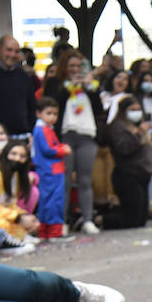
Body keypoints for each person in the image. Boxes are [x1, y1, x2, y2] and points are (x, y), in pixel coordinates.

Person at [43, 50, 106, 235]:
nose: (75, 69)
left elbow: (99, 108)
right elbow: (53, 102)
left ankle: (87, 219)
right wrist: (71, 86)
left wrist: (89, 86)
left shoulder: (89, 85)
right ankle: (61, 221)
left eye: (78, 66)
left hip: (87, 135)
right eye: (71, 66)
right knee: (65, 180)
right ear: (64, 67)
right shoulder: (56, 83)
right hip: (65, 136)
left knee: (85, 179)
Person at [99, 97, 152, 230]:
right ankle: (100, 219)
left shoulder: (137, 125)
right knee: (132, 220)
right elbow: (124, 148)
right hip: (127, 174)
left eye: (138, 109)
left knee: (141, 219)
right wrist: (139, 134)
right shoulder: (118, 127)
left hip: (142, 173)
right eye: (132, 110)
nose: (136, 112)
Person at [30, 96, 71, 239]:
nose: (52, 117)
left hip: (50, 170)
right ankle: (54, 232)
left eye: (55, 114)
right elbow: (49, 149)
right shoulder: (42, 130)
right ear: (39, 113)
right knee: (54, 200)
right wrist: (63, 149)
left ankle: (47, 232)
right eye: (49, 113)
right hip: (51, 170)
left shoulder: (44, 129)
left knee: (49, 200)